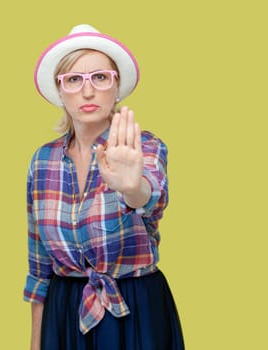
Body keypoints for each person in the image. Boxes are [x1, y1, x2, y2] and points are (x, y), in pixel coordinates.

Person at [24, 24, 185, 350]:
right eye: (73, 80)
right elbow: (39, 267)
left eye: (100, 77)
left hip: (135, 307)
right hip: (63, 311)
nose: (87, 91)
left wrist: (132, 187)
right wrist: (36, 342)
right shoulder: (42, 161)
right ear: (60, 90)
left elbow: (152, 199)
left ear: (116, 85)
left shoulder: (145, 147)